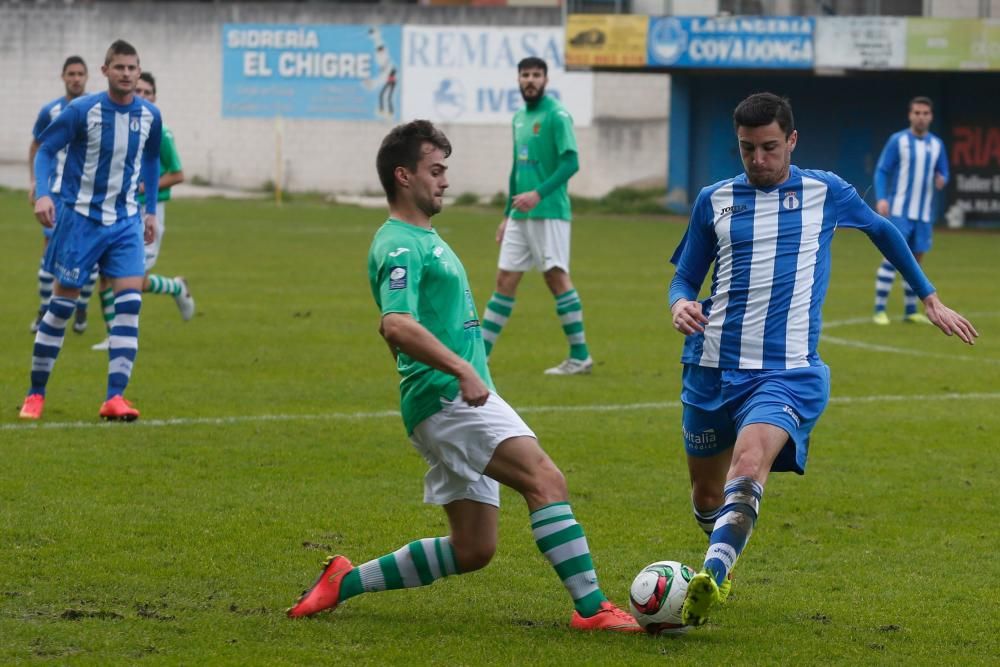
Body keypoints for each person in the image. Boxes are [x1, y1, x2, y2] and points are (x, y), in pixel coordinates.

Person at [286, 120, 640, 633]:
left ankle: (346, 580)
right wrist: (459, 371)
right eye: (436, 170)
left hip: (441, 401)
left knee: (474, 548)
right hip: (449, 397)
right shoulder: (402, 245)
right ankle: (592, 609)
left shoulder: (421, 237)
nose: (445, 180)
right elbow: (396, 324)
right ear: (404, 176)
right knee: (546, 481)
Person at [668, 93, 977, 628]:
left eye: (769, 148)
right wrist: (680, 303)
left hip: (786, 371)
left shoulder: (825, 191)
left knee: (749, 464)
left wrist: (929, 296)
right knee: (706, 493)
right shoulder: (713, 199)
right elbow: (685, 275)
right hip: (710, 364)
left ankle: (711, 579)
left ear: (791, 140)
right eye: (747, 150)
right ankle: (722, 546)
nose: (759, 160)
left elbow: (883, 231)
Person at [19, 39, 163, 422]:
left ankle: (115, 397)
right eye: (120, 67)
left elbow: (151, 158)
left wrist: (149, 212)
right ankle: (35, 393)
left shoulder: (150, 115)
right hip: (80, 220)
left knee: (129, 307)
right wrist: (44, 194)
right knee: (61, 307)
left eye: (133, 67)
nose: (128, 74)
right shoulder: (82, 110)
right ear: (105, 71)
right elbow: (46, 150)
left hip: (126, 222)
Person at [480, 57, 592, 375]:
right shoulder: (518, 117)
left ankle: (580, 356)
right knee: (504, 279)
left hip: (549, 211)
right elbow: (516, 169)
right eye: (525, 75)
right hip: (520, 214)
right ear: (518, 79)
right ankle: (480, 357)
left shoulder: (557, 115)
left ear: (546, 79)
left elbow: (571, 163)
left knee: (555, 278)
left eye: (536, 75)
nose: (530, 80)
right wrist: (506, 213)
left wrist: (537, 194)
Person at [91, 70, 194, 351]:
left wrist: (144, 188)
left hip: (150, 211)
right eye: (140, 92)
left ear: (155, 97)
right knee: (105, 272)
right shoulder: (122, 127)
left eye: (149, 93)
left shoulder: (160, 131)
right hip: (118, 210)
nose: (144, 97)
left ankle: (176, 288)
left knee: (134, 278)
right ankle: (113, 336)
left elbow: (178, 174)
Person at [28, 55, 98, 336]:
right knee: (50, 254)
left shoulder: (96, 108)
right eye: (71, 73)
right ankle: (46, 310)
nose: (76, 78)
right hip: (56, 196)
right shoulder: (51, 111)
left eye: (80, 73)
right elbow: (38, 146)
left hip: (87, 197)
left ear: (87, 77)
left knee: (87, 256)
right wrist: (35, 182)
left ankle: (80, 306)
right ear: (63, 77)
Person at [871, 96, 949, 325]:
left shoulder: (937, 145)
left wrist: (942, 178)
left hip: (923, 214)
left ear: (931, 116)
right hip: (900, 212)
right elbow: (882, 170)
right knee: (891, 258)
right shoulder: (898, 141)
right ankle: (879, 309)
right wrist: (882, 198)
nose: (921, 117)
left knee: (915, 263)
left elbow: (943, 171)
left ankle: (910, 311)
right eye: (917, 113)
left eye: (925, 113)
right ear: (910, 115)